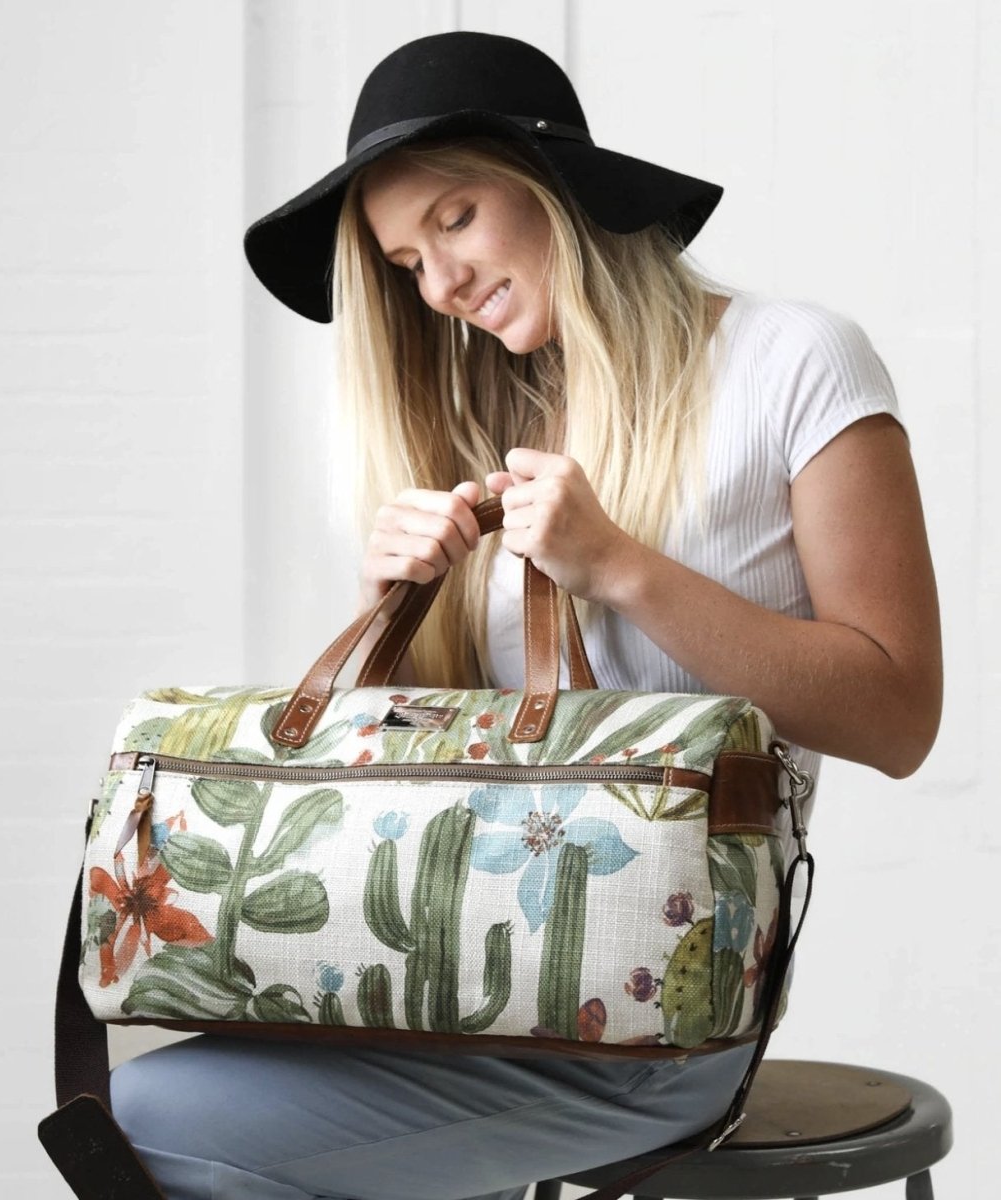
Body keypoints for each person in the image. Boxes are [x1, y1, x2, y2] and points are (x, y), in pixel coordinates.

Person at [110, 31, 942, 1200]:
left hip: (651, 1019)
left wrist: (623, 569)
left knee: (153, 1116)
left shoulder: (792, 361)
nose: (438, 286)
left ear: (554, 186)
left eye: (454, 219)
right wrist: (390, 611)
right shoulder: (480, 427)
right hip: (460, 978)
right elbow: (458, 786)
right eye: (406, 262)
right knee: (135, 1084)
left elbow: (898, 716)